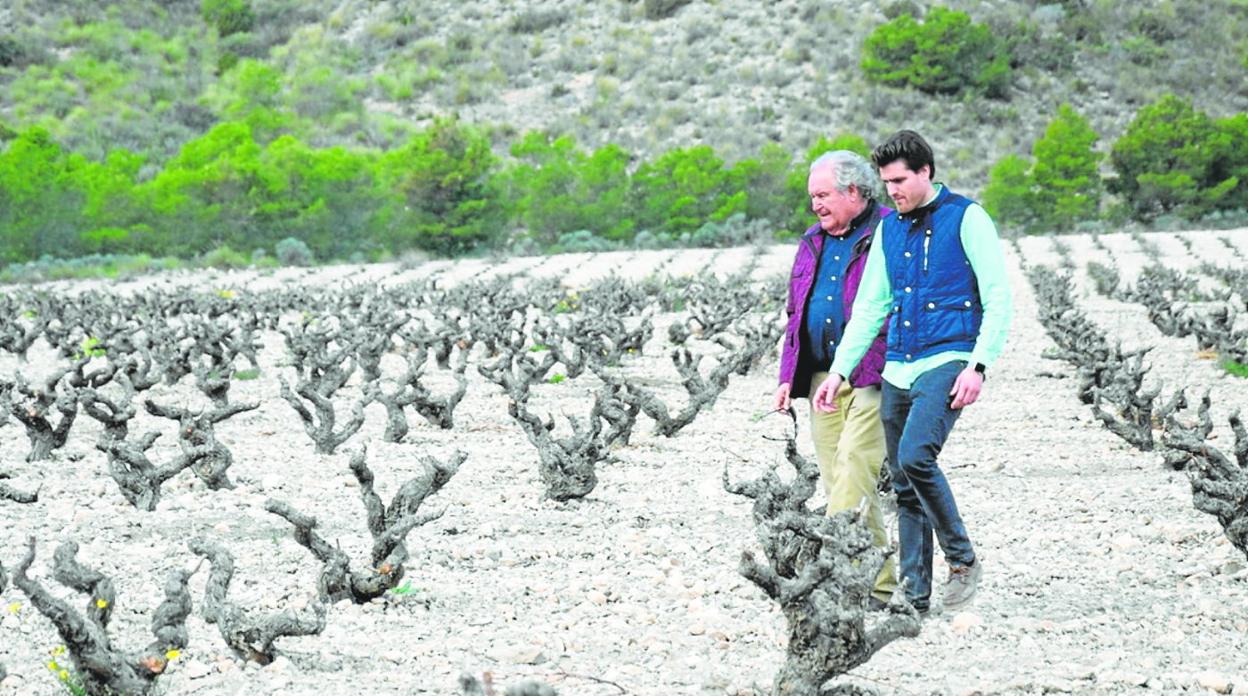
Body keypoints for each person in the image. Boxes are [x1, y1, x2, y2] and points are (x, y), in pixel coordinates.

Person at [811, 130, 1012, 614]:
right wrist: (839, 372)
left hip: (949, 358)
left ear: (926, 172)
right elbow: (871, 306)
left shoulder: (968, 218)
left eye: (900, 180)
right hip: (897, 365)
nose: (892, 190)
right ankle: (915, 596)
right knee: (903, 482)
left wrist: (978, 365)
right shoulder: (888, 229)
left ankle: (961, 559)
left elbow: (999, 297)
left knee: (917, 456)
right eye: (886, 182)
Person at [775, 150, 897, 610]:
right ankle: (878, 587)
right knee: (838, 480)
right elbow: (796, 311)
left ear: (853, 191)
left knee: (854, 470)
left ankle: (838, 577)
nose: (815, 206)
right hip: (823, 374)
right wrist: (789, 376)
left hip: (873, 372)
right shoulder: (812, 240)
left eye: (822, 195)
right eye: (812, 197)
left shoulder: (891, 231)